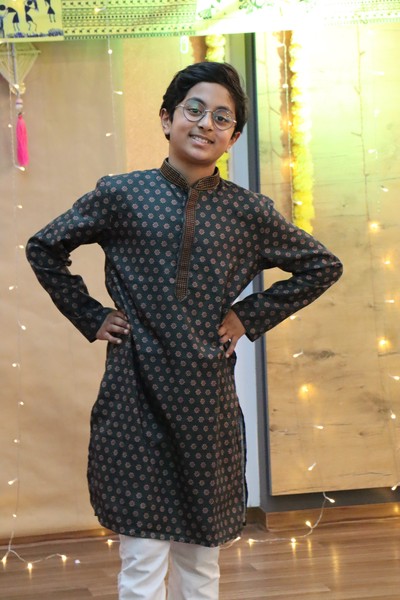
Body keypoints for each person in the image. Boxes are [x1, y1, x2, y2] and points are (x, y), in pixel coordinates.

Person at [26, 61, 343, 600]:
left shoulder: (248, 212)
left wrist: (247, 317)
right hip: (135, 397)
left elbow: (322, 265)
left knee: (200, 563)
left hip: (206, 405)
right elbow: (44, 247)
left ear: (233, 138)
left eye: (222, 117)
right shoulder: (122, 194)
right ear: (167, 119)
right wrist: (91, 315)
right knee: (142, 562)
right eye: (194, 110)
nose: (205, 124)